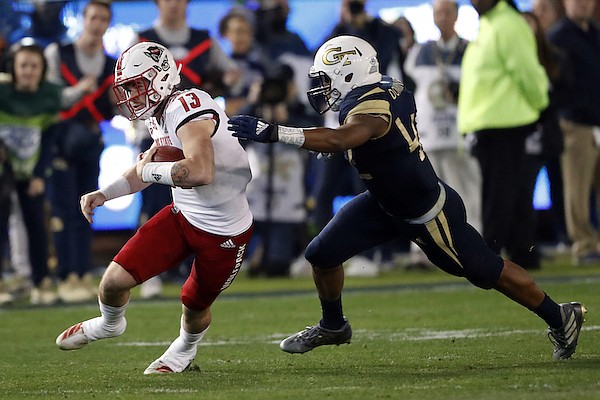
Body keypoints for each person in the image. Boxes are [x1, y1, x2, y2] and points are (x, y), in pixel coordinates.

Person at [228, 35, 586, 360]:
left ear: (350, 73)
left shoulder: (373, 107)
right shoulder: (381, 87)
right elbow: (357, 138)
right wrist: (330, 142)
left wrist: (273, 131)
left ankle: (561, 316)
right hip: (384, 201)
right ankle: (334, 325)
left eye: (326, 79)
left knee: (487, 271)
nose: (321, 88)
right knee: (321, 253)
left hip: (427, 213)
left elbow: (344, 138)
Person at [55, 41, 254, 374]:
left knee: (194, 304)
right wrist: (105, 194)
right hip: (182, 216)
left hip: (224, 231)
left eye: (136, 85)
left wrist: (150, 170)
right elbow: (149, 165)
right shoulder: (158, 114)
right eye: (128, 88)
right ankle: (109, 323)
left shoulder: (187, 106)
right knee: (113, 282)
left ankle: (185, 349)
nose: (131, 95)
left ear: (161, 78)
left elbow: (200, 172)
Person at [457, 0, 550, 270]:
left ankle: (491, 256)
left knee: (500, 194)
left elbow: (527, 71)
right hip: (495, 122)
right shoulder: (493, 24)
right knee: (511, 191)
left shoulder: (506, 24)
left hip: (503, 123)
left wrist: (541, 104)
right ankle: (520, 253)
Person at [44, 0, 116, 303]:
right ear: (83, 19)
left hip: (90, 143)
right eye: (93, 17)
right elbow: (47, 97)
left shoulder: (112, 64)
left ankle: (83, 272)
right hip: (59, 140)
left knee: (88, 207)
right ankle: (66, 274)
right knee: (63, 209)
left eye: (103, 19)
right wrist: (77, 92)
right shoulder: (57, 53)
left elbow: (114, 110)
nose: (97, 24)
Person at [404, 0, 481, 234]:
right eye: (439, 13)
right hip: (428, 132)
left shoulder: (470, 49)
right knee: (425, 192)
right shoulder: (420, 52)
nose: (443, 17)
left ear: (457, 15)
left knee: (467, 189)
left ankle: (472, 239)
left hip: (461, 131)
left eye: (448, 12)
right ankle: (425, 246)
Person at [0, 42, 62, 305]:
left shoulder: (50, 96)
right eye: (23, 65)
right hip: (3, 167)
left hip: (32, 168)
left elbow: (49, 139)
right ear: (13, 68)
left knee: (37, 223)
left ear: (42, 70)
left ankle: (41, 282)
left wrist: (39, 174)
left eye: (34, 66)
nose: (28, 71)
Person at [547, 0, 600, 266]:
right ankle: (583, 244)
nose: (582, 3)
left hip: (597, 121)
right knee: (577, 189)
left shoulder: (595, 34)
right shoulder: (558, 35)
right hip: (575, 123)